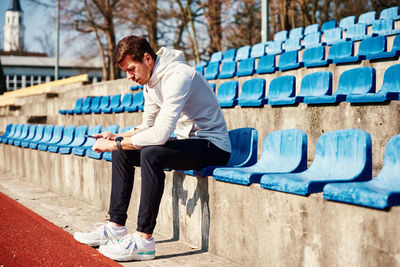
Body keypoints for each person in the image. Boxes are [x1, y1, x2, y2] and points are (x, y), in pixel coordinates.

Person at [73, 35, 231, 262]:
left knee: (151, 153)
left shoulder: (179, 76)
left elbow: (160, 134)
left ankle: (143, 240)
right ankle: (116, 227)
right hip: (187, 142)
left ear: (147, 58)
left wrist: (115, 144)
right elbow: (146, 127)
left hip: (213, 145)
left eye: (131, 69)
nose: (129, 77)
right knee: (123, 152)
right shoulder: (149, 84)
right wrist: (118, 137)